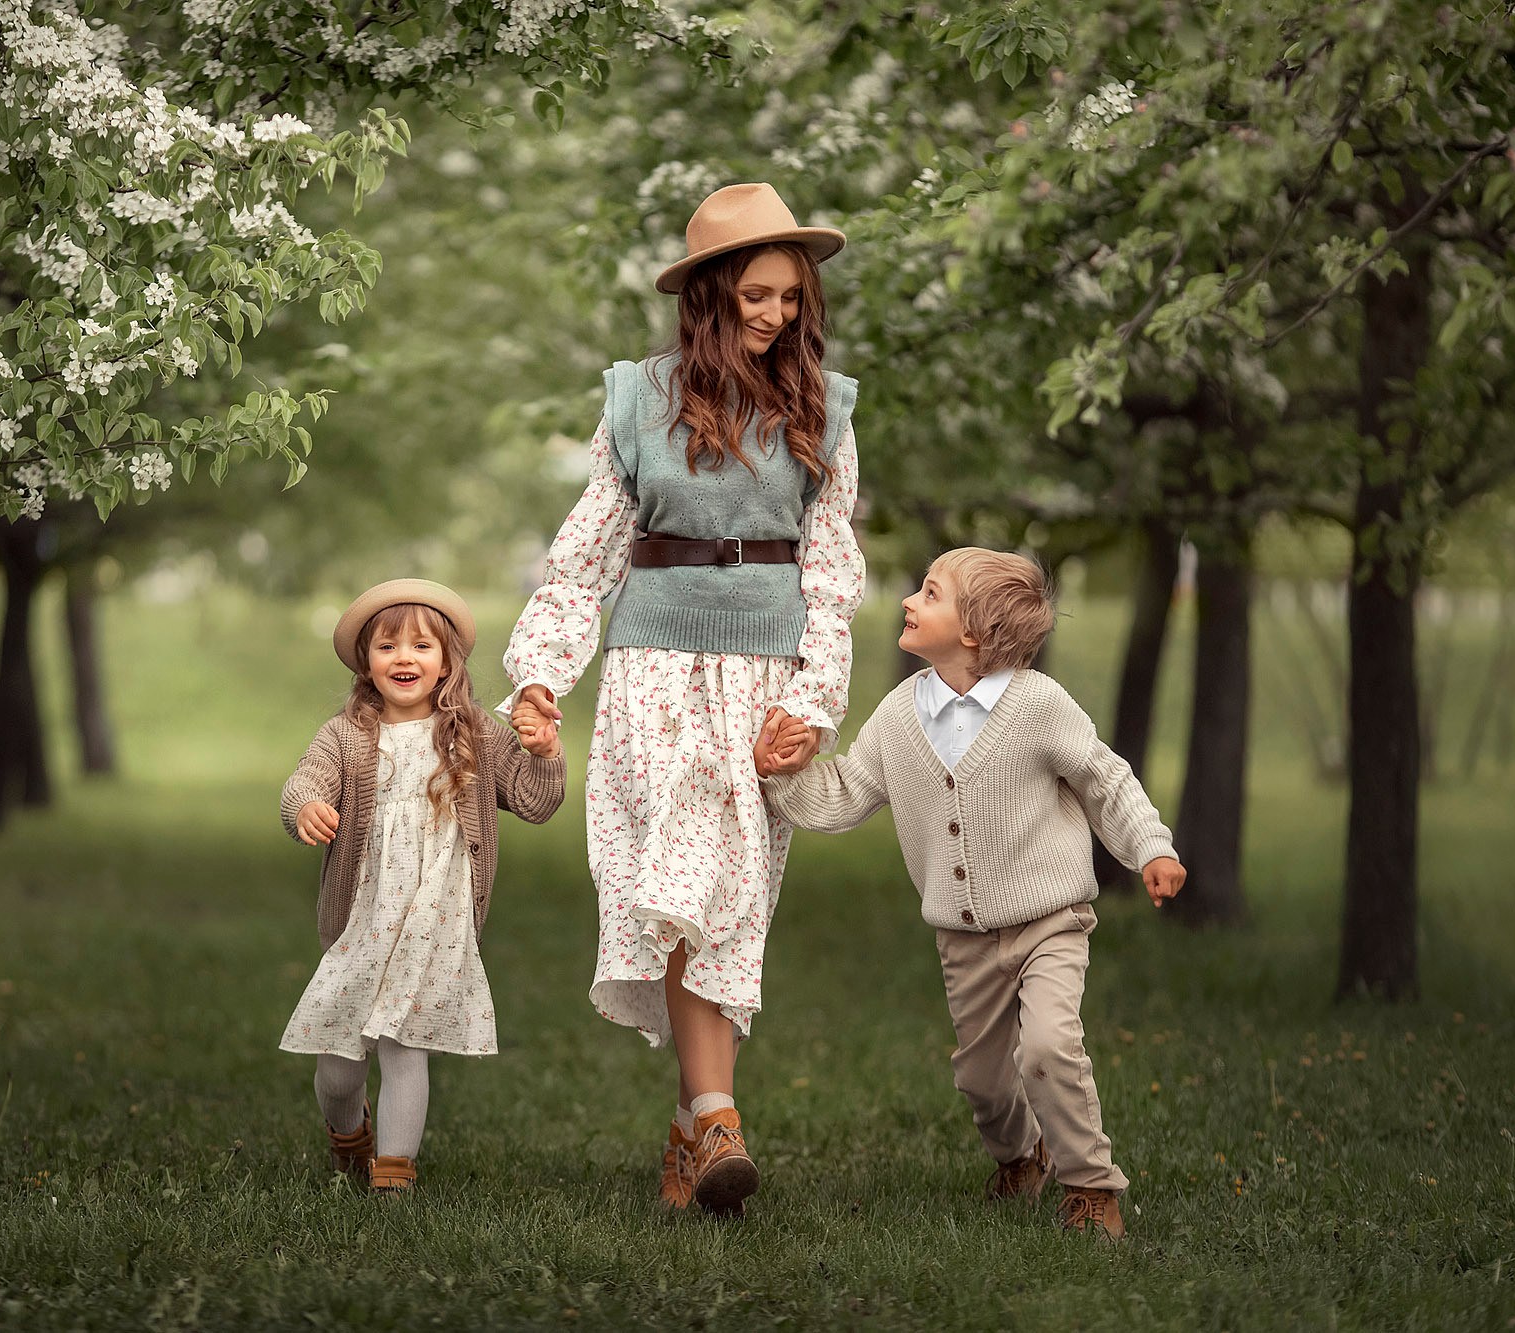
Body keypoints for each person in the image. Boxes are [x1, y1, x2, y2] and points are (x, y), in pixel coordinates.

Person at [503, 183, 866, 1215]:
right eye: (756, 294)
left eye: (790, 299)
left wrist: (815, 699)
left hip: (761, 680)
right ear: (708, 294)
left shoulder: (822, 408)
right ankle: (717, 1119)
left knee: (726, 902)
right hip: (653, 671)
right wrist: (539, 677)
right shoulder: (636, 399)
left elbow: (832, 573)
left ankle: (686, 1132)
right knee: (674, 885)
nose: (776, 316)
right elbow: (583, 560)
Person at [758, 548, 1187, 1240]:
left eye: (930, 593)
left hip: (1050, 918)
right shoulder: (901, 714)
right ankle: (1024, 1155)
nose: (910, 600)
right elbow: (843, 794)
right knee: (985, 1082)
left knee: (1048, 1048)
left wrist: (1152, 848)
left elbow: (1105, 778)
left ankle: (1091, 1185)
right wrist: (781, 776)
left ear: (973, 633)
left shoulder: (1039, 703)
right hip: (962, 935)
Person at [281, 578, 566, 1194]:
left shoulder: (475, 736)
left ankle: (394, 1174)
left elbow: (537, 803)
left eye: (420, 646)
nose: (404, 658)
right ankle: (347, 1130)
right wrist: (305, 807)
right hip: (363, 919)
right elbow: (305, 780)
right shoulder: (346, 737)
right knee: (337, 1064)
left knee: (405, 1045)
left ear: (446, 663)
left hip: (437, 920)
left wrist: (543, 750)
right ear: (366, 661)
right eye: (387, 647)